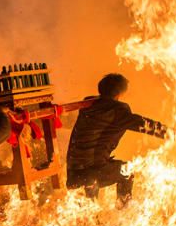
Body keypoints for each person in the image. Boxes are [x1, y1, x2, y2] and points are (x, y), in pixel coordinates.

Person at [66, 73, 169, 202]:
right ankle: (123, 211)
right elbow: (147, 125)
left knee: (96, 171)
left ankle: (92, 213)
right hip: (91, 172)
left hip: (73, 173)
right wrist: (174, 134)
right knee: (127, 171)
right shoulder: (117, 111)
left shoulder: (88, 106)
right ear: (119, 94)